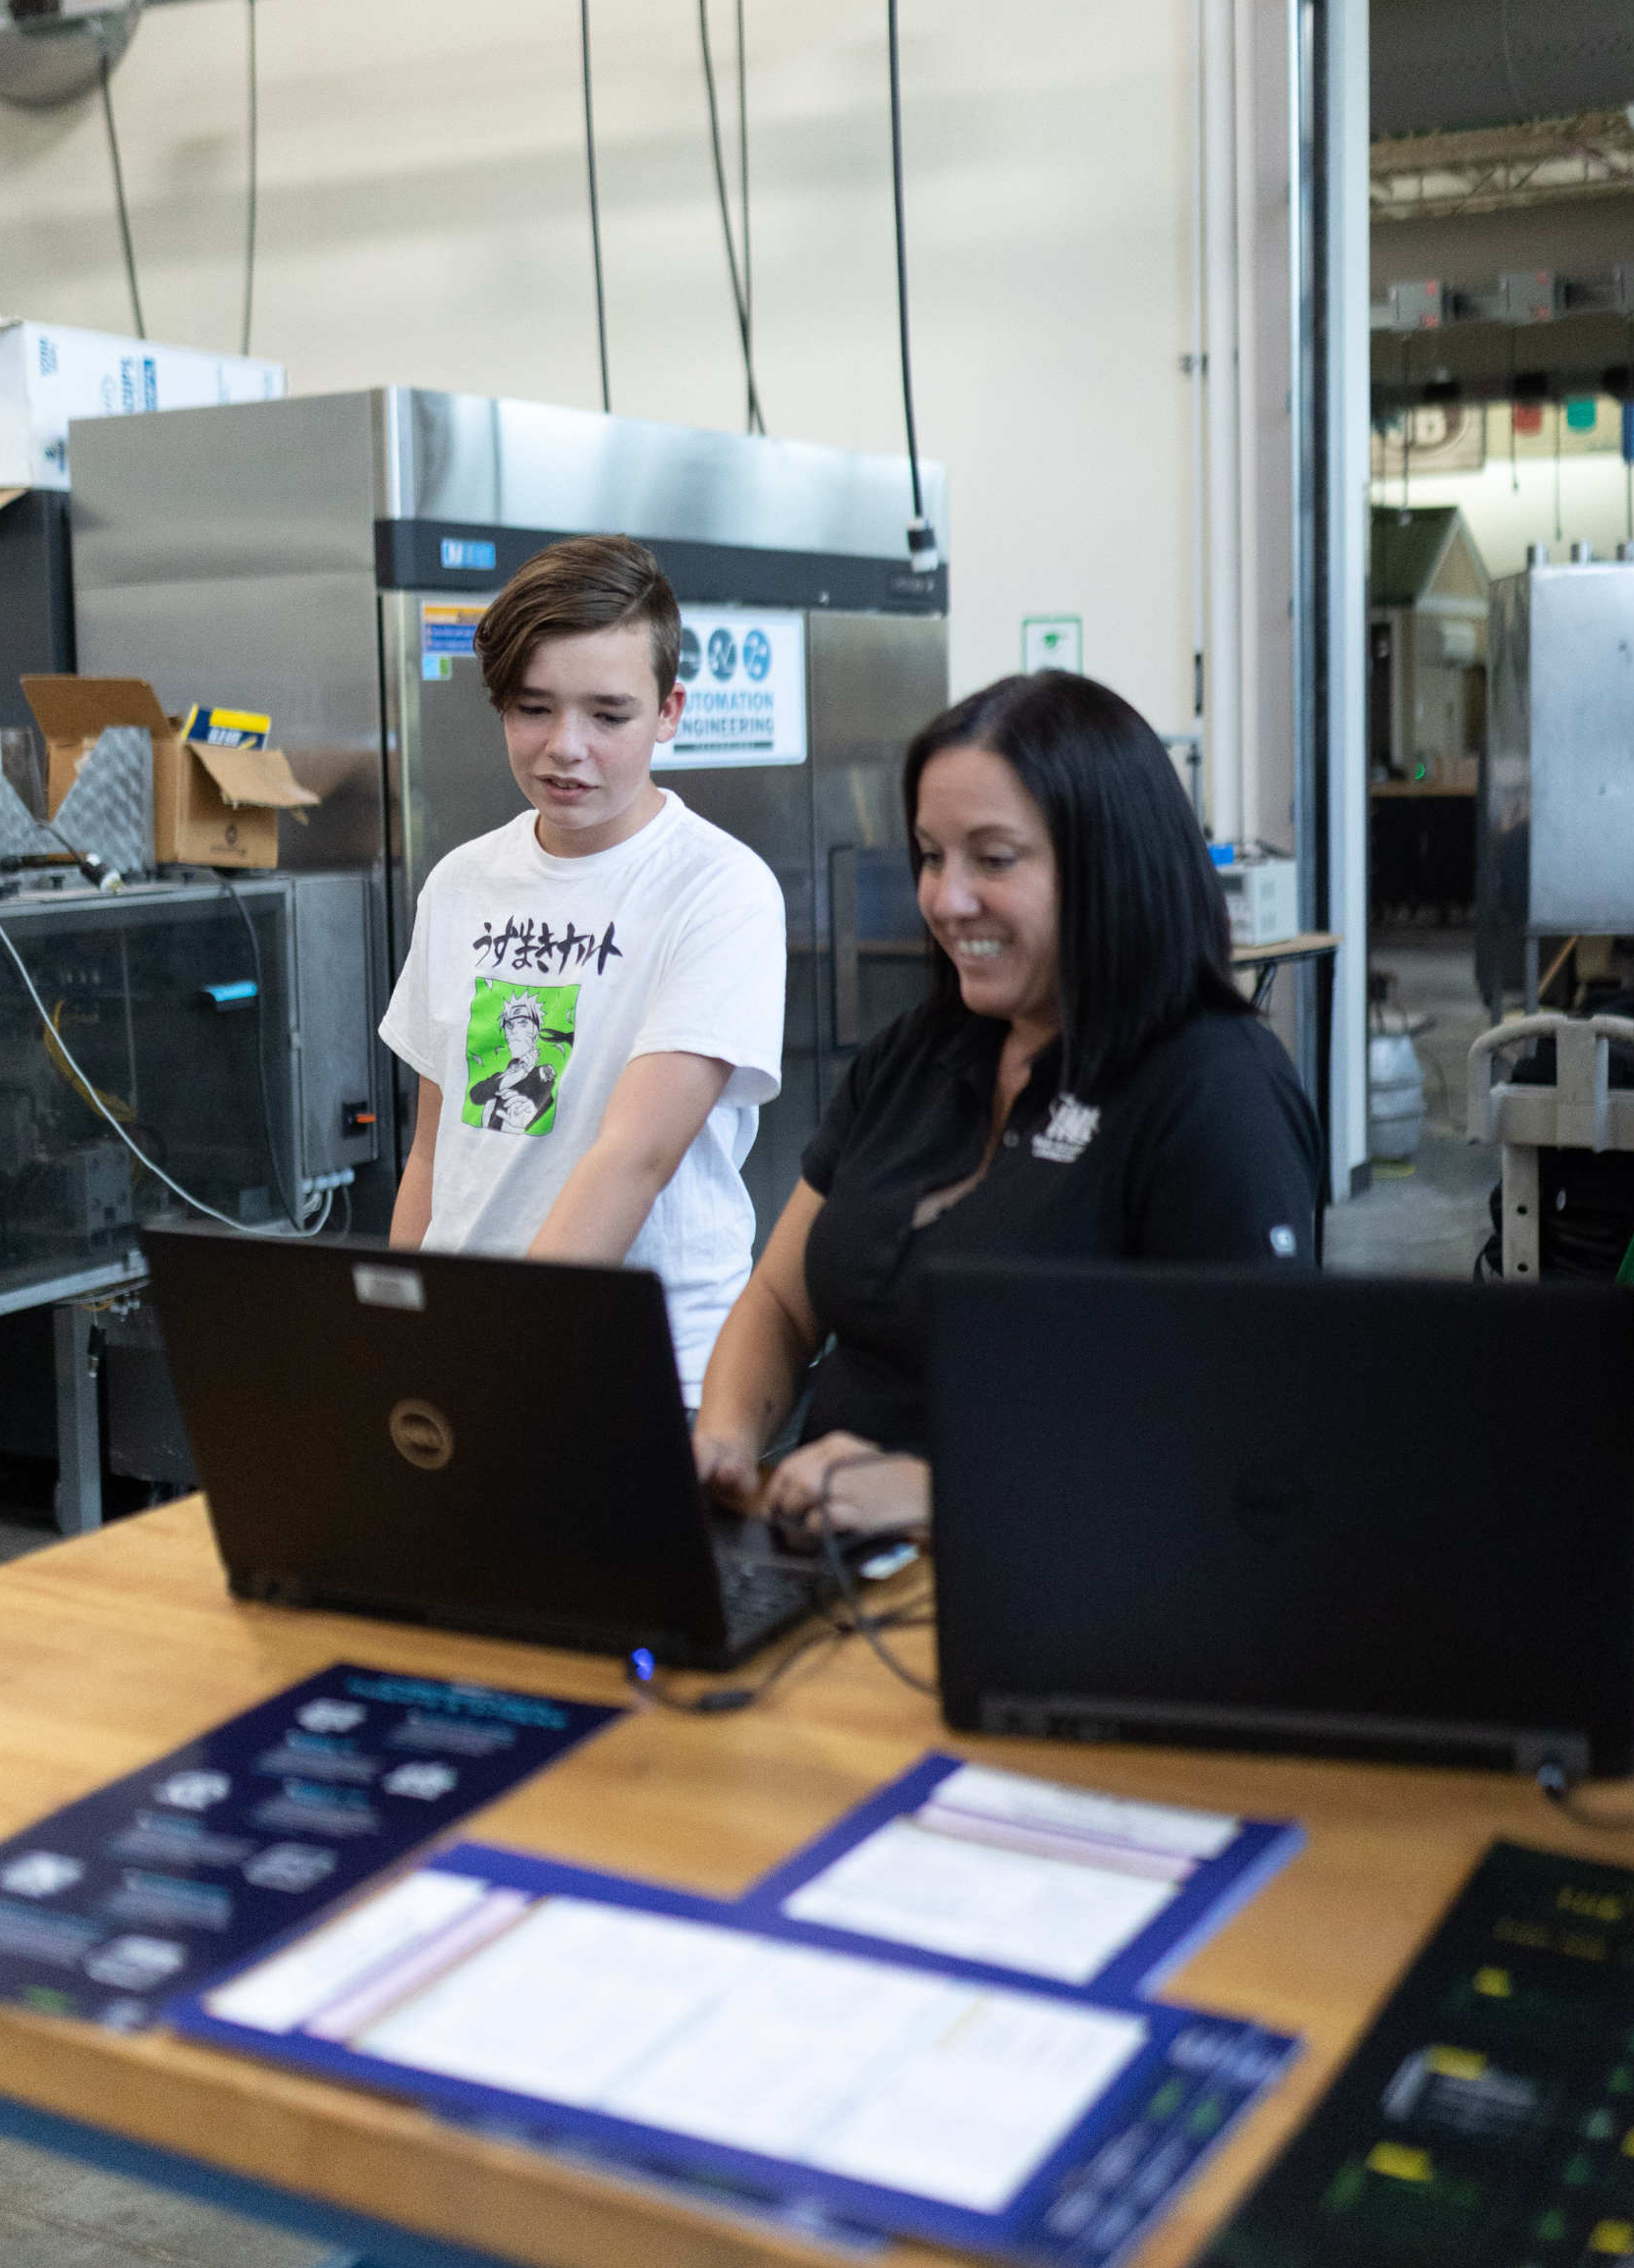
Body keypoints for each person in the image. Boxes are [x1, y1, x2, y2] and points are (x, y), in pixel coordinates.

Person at [692, 670, 1322, 1532]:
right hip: (833, 1571)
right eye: (929, 856)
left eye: (994, 859)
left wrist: (935, 1496)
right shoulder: (916, 1054)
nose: (946, 901)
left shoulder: (1212, 1090)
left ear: (1109, 866)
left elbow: (1250, 1450)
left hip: (1062, 1600)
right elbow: (781, 1300)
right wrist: (724, 1442)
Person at [382, 534, 787, 1403]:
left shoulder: (719, 890)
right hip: (465, 1353)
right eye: (534, 709)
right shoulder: (460, 883)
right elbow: (432, 1155)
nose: (566, 747)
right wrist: (401, 1338)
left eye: (609, 715)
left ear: (669, 712)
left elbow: (632, 1155)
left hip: (638, 1366)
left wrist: (510, 1348)